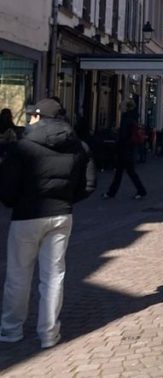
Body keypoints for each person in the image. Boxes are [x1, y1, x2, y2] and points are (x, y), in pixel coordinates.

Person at [0, 98, 95, 348]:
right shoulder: (79, 146)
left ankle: (11, 329)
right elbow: (89, 184)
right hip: (61, 215)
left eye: (32, 115)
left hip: (26, 216)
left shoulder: (22, 147)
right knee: (53, 276)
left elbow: (7, 187)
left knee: (18, 274)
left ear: (38, 117)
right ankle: (49, 333)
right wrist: (66, 199)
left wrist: (15, 202)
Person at [103, 100, 147, 200]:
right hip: (129, 149)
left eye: (122, 106)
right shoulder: (133, 117)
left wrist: (118, 141)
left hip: (125, 150)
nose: (120, 107)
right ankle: (112, 193)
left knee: (125, 172)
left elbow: (124, 135)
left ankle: (140, 190)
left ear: (126, 108)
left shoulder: (126, 118)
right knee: (125, 172)